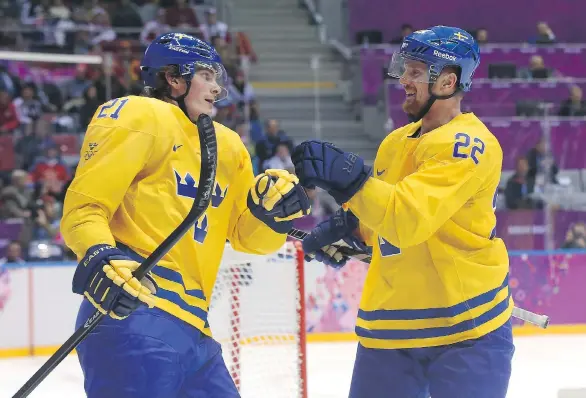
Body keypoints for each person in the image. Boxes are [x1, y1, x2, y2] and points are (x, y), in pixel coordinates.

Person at [61, 33, 310, 398]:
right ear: (173, 79)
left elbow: (246, 238)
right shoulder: (139, 113)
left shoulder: (227, 144)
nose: (216, 88)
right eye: (206, 76)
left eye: (216, 78)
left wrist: (272, 214)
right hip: (135, 310)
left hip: (195, 328)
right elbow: (84, 209)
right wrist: (100, 255)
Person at [292, 26, 514, 398]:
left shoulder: (468, 144)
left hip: (464, 330)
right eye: (404, 69)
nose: (403, 80)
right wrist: (346, 229)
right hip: (391, 326)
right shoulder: (395, 143)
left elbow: (406, 220)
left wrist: (347, 179)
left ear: (446, 81)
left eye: (414, 72)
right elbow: (383, 216)